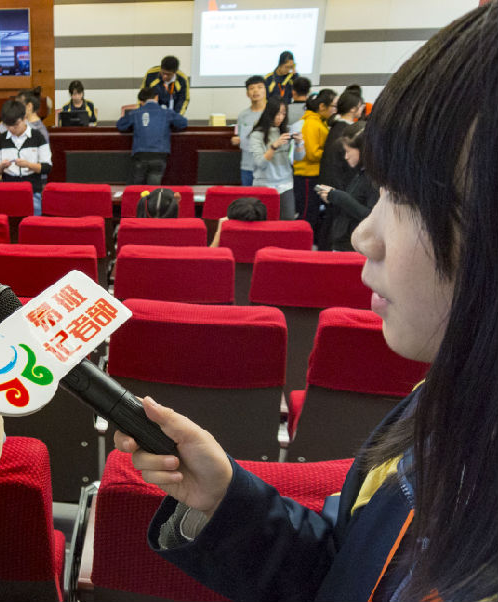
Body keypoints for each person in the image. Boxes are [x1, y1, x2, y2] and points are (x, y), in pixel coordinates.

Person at [115, 5, 498, 600]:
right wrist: (224, 500)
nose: (364, 235)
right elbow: (344, 568)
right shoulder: (438, 401)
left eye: (402, 198)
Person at [316, 121, 379, 252]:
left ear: (363, 150)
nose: (346, 156)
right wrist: (333, 197)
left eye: (348, 151)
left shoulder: (373, 179)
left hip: (354, 247)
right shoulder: (361, 173)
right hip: (345, 242)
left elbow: (370, 216)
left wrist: (338, 197)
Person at [116, 87, 188, 185]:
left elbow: (120, 125)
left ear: (141, 101)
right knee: (153, 187)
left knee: (136, 188)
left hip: (140, 153)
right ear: (156, 97)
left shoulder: (135, 113)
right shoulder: (166, 112)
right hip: (160, 154)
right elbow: (183, 123)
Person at [0, 99, 51, 215]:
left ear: (24, 118)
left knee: (33, 224)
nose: (12, 129)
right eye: (8, 126)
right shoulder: (0, 140)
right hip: (8, 191)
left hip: (33, 192)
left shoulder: (38, 137)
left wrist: (29, 165)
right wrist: (2, 166)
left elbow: (47, 167)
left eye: (16, 125)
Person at [248, 96, 304, 220]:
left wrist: (299, 143)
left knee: (288, 221)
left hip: (286, 184)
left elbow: (299, 158)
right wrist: (274, 146)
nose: (280, 117)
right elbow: (260, 163)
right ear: (269, 113)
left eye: (283, 113)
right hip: (264, 184)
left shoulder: (286, 131)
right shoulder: (257, 135)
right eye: (277, 113)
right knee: (263, 222)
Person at [293, 88, 337, 246]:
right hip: (307, 176)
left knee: (313, 212)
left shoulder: (319, 122)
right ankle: (300, 246)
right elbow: (312, 153)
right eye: (333, 106)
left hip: (314, 174)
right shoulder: (311, 124)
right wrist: (330, 153)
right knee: (307, 214)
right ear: (322, 106)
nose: (335, 110)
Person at [319, 90, 364, 190]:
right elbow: (337, 164)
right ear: (353, 109)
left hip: (336, 185)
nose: (362, 109)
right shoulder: (345, 131)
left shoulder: (337, 126)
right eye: (361, 106)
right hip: (339, 186)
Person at [231, 75, 267, 186]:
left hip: (267, 166)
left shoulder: (272, 113)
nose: (256, 91)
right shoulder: (243, 115)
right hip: (247, 166)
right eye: (252, 88)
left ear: (266, 90)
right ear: (247, 93)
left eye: (260, 87)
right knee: (247, 195)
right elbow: (238, 135)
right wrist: (236, 140)